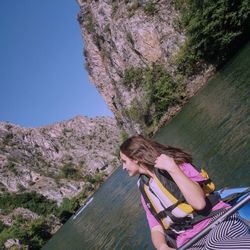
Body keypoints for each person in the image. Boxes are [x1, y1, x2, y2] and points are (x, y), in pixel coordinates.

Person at [119, 135, 250, 250]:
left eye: (124, 161)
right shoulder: (145, 192)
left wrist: (172, 168)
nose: (123, 168)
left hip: (218, 221)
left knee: (214, 245)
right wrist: (162, 246)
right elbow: (156, 228)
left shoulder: (177, 165)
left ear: (135, 158)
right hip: (190, 241)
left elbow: (199, 204)